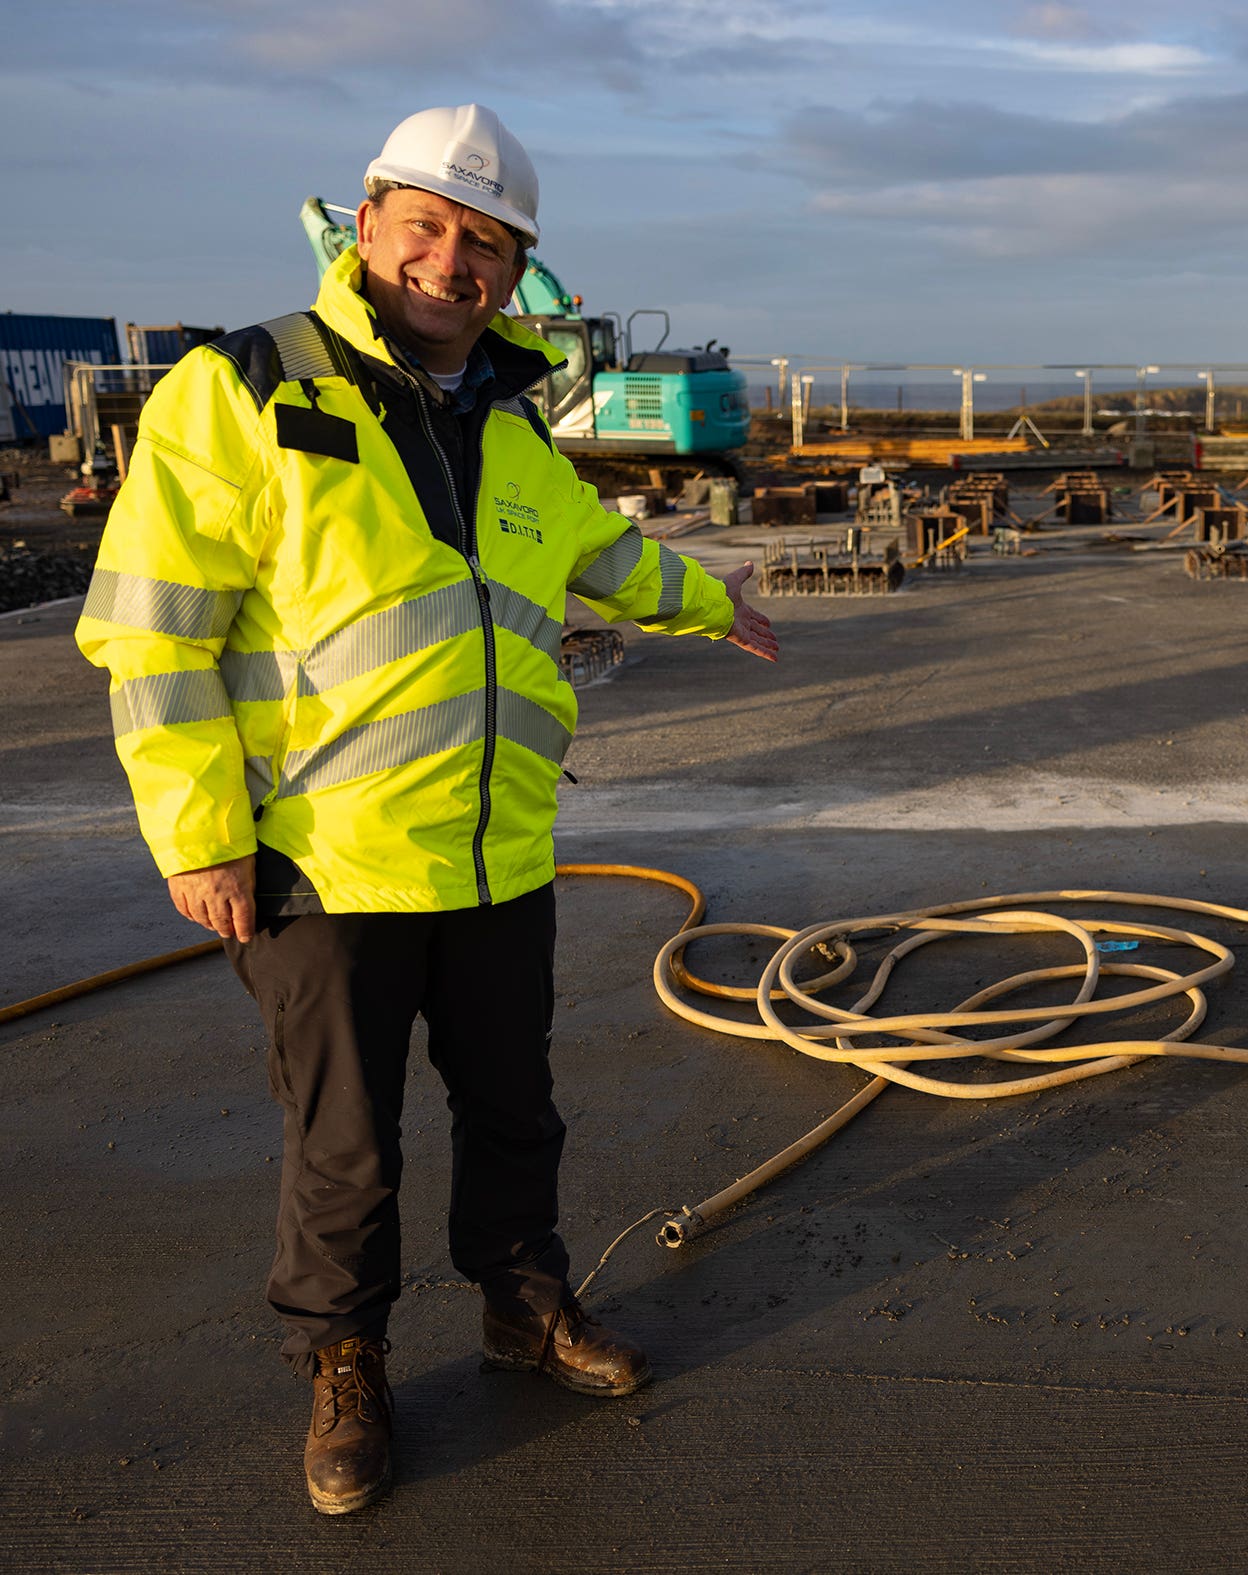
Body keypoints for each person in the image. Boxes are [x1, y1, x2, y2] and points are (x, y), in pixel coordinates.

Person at [76, 104, 778, 1516]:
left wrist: (716, 604)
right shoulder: (246, 389)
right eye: (430, 225)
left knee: (517, 1112)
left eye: (487, 241)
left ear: (516, 268)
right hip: (322, 860)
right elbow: (152, 634)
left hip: (499, 849)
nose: (451, 261)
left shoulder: (510, 429)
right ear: (370, 219)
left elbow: (592, 554)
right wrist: (200, 832)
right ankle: (344, 1364)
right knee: (347, 1145)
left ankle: (525, 1311)